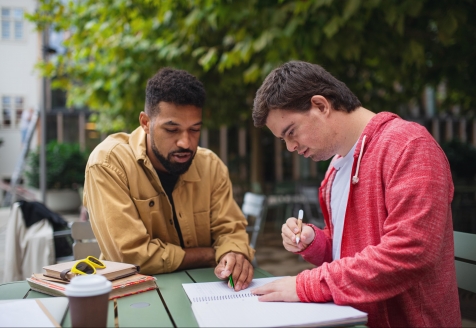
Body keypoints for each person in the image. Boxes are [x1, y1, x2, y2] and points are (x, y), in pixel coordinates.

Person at [250, 61, 460, 327]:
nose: (290, 147)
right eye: (283, 140)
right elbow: (346, 253)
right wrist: (315, 241)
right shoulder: (335, 171)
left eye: (291, 132)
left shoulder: (409, 146)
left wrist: (308, 285)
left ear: (321, 105)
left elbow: (411, 252)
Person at [83, 68, 254, 291]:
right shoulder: (108, 164)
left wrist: (234, 253)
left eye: (194, 130)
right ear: (145, 122)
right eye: (172, 129)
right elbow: (129, 255)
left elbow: (231, 231)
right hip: (132, 297)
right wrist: (210, 254)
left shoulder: (211, 166)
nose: (185, 142)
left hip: (210, 294)